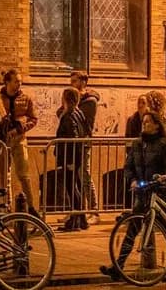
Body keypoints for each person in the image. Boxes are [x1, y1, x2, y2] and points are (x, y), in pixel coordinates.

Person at [101, 112, 166, 283]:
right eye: (143, 122)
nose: (144, 125)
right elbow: (128, 166)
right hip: (143, 193)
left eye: (148, 122)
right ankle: (118, 266)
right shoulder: (137, 144)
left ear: (156, 125)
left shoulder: (164, 144)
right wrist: (131, 180)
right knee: (132, 230)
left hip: (161, 193)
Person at [0, 68, 39, 214]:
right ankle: (6, 206)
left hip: (19, 138)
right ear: (7, 82)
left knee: (24, 174)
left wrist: (21, 128)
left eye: (20, 82)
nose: (19, 85)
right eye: (16, 81)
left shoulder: (25, 98)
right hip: (3, 140)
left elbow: (33, 119)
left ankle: (31, 206)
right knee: (5, 175)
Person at [54, 86, 91, 231]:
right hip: (75, 157)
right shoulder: (78, 113)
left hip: (70, 158)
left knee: (72, 188)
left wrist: (70, 161)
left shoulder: (69, 115)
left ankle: (75, 221)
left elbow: (72, 137)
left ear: (66, 99)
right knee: (75, 187)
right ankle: (81, 219)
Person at [71, 70, 101, 219]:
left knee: (84, 174)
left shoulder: (90, 101)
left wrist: (71, 105)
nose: (72, 84)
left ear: (83, 82)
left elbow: (74, 115)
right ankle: (79, 211)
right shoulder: (77, 99)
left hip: (83, 141)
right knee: (76, 176)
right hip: (74, 142)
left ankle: (94, 209)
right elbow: (60, 112)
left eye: (75, 81)